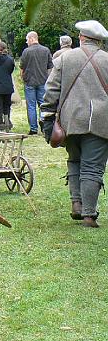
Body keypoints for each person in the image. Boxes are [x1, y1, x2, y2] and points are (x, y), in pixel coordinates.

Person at [42, 20, 108, 228]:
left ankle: (77, 205)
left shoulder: (64, 58)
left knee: (75, 161)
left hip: (70, 121)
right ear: (99, 41)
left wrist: (47, 117)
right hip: (100, 122)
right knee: (92, 167)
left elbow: (51, 89)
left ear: (81, 37)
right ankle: (89, 215)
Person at [20, 31, 53, 135]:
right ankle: (44, 126)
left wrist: (23, 78)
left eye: (27, 40)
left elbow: (22, 67)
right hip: (43, 81)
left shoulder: (26, 51)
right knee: (43, 105)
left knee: (31, 106)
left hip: (29, 82)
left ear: (32, 38)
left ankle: (33, 129)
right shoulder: (45, 50)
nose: (26, 42)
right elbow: (50, 67)